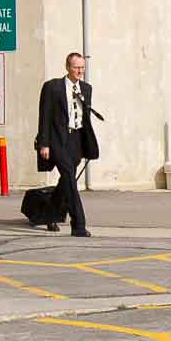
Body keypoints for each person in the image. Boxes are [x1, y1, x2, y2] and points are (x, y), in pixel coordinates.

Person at [34, 52, 103, 237]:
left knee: (66, 180)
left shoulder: (86, 89)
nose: (79, 71)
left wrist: (87, 144)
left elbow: (84, 118)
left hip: (76, 140)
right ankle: (78, 224)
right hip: (57, 139)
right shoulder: (52, 87)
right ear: (67, 67)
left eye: (82, 67)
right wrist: (44, 143)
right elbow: (45, 116)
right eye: (76, 67)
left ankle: (49, 214)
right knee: (70, 181)